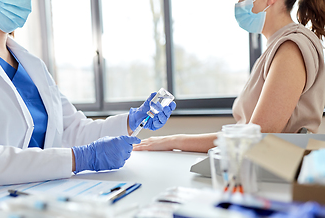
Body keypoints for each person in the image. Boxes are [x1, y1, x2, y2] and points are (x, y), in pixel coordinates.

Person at [0, 0, 176, 188]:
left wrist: (131, 122)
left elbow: (72, 129)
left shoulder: (32, 64)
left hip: (46, 193)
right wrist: (79, 159)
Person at [134, 0, 325, 153]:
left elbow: (255, 137)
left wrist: (173, 140)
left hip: (275, 175)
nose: (239, 3)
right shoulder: (276, 48)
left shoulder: (291, 47)